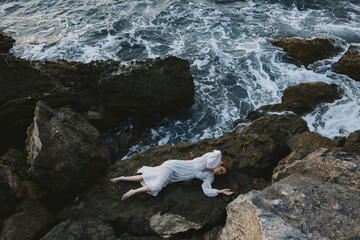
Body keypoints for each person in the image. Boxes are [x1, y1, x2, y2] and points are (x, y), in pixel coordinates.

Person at [110, 150, 233, 201]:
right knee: (157, 186)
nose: (219, 173)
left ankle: (121, 178)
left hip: (175, 177)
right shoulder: (207, 159)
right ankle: (133, 192)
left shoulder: (209, 177)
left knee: (146, 178)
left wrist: (220, 191)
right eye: (221, 170)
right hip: (173, 166)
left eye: (221, 174)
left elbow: (206, 190)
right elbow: (217, 152)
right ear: (220, 163)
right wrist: (218, 160)